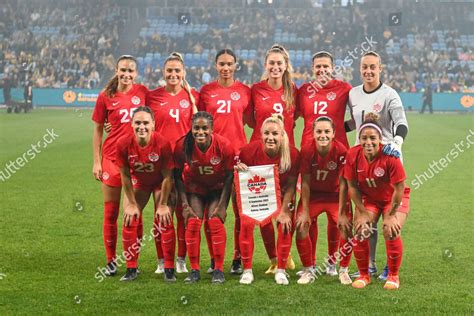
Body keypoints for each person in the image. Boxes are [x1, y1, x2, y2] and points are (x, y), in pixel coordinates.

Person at [346, 51, 409, 280]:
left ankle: (391, 269)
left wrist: (397, 144)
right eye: (365, 67)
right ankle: (370, 265)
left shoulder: (389, 94)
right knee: (365, 222)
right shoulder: (353, 94)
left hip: (386, 159)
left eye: (373, 67)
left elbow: (401, 123)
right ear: (360, 69)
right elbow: (355, 121)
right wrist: (331, 132)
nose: (368, 71)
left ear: (380, 68)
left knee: (389, 221)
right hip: (361, 161)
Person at [92, 55, 148, 276]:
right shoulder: (105, 96)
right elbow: (97, 129)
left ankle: (133, 261)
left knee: (133, 212)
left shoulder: (143, 93)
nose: (126, 74)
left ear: (136, 73)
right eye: (123, 70)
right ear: (116, 70)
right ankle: (110, 261)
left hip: (136, 161)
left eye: (131, 70)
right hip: (111, 160)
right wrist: (97, 161)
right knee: (110, 213)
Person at [198, 48, 252, 275]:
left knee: (241, 213)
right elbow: (197, 124)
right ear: (215, 66)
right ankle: (214, 258)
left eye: (230, 64)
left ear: (236, 66)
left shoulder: (245, 91)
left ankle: (238, 259)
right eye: (222, 64)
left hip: (238, 157)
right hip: (212, 159)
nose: (226, 68)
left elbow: (252, 121)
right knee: (212, 211)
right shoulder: (206, 91)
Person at [246, 44, 298, 274]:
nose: (275, 67)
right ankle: (275, 259)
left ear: (286, 66)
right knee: (263, 212)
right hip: (261, 157)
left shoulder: (294, 91)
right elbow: (249, 119)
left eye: (280, 63)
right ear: (265, 65)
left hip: (287, 158)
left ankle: (285, 255)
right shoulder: (255, 89)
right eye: (272, 63)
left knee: (287, 209)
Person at [343, 113, 410, 290]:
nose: (368, 142)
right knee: (361, 228)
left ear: (380, 139)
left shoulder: (390, 156)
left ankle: (393, 276)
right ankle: (365, 275)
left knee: (391, 229)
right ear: (359, 138)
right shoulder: (353, 154)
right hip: (370, 198)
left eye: (373, 138)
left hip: (394, 199)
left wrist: (391, 215)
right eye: (364, 138)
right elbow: (352, 186)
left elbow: (399, 189)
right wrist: (362, 212)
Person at [147, 52, 199, 274]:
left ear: (184, 73)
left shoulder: (192, 95)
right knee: (161, 210)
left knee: (182, 213)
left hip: (184, 161)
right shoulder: (152, 97)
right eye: (169, 70)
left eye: (177, 70)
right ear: (163, 72)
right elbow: (137, 120)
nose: (173, 74)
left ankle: (180, 259)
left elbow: (201, 123)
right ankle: (161, 259)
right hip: (160, 163)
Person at [235, 114, 300, 285]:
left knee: (285, 223)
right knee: (247, 223)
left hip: (285, 194)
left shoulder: (292, 153)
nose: (270, 137)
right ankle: (247, 270)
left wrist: (285, 211)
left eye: (274, 134)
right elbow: (239, 174)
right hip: (261, 195)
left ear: (282, 135)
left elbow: (292, 185)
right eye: (266, 133)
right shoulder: (248, 151)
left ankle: (281, 270)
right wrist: (238, 167)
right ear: (260, 134)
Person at [174, 111, 234, 284]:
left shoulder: (224, 145)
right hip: (195, 187)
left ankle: (218, 270)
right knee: (193, 222)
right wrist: (184, 204)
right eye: (196, 128)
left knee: (214, 221)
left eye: (204, 128)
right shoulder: (182, 145)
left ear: (212, 129)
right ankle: (194, 270)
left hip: (217, 187)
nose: (200, 132)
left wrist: (223, 205)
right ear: (191, 129)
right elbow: (177, 176)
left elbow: (230, 176)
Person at [115, 106, 175, 282]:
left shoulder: (162, 143)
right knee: (129, 217)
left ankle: (169, 268)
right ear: (131, 124)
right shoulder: (123, 143)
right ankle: (131, 268)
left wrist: (163, 204)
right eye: (138, 123)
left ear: (153, 125)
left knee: (165, 219)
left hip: (159, 184)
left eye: (146, 123)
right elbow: (125, 175)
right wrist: (132, 203)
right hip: (139, 183)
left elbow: (167, 177)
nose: (142, 126)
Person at [295, 116, 353, 285]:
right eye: (319, 131)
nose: (323, 135)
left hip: (335, 196)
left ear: (334, 133)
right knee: (300, 225)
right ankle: (308, 269)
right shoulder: (307, 150)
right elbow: (304, 182)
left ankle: (343, 269)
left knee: (346, 226)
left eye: (327, 131)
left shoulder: (341, 151)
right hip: (313, 195)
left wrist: (343, 213)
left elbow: (344, 184)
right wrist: (304, 212)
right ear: (313, 133)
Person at [297, 51, 352, 148]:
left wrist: (342, 129)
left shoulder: (344, 88)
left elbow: (358, 116)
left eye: (325, 66)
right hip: (309, 149)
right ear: (312, 68)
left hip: (338, 149)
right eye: (318, 66)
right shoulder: (304, 90)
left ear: (333, 68)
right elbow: (294, 116)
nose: (322, 70)